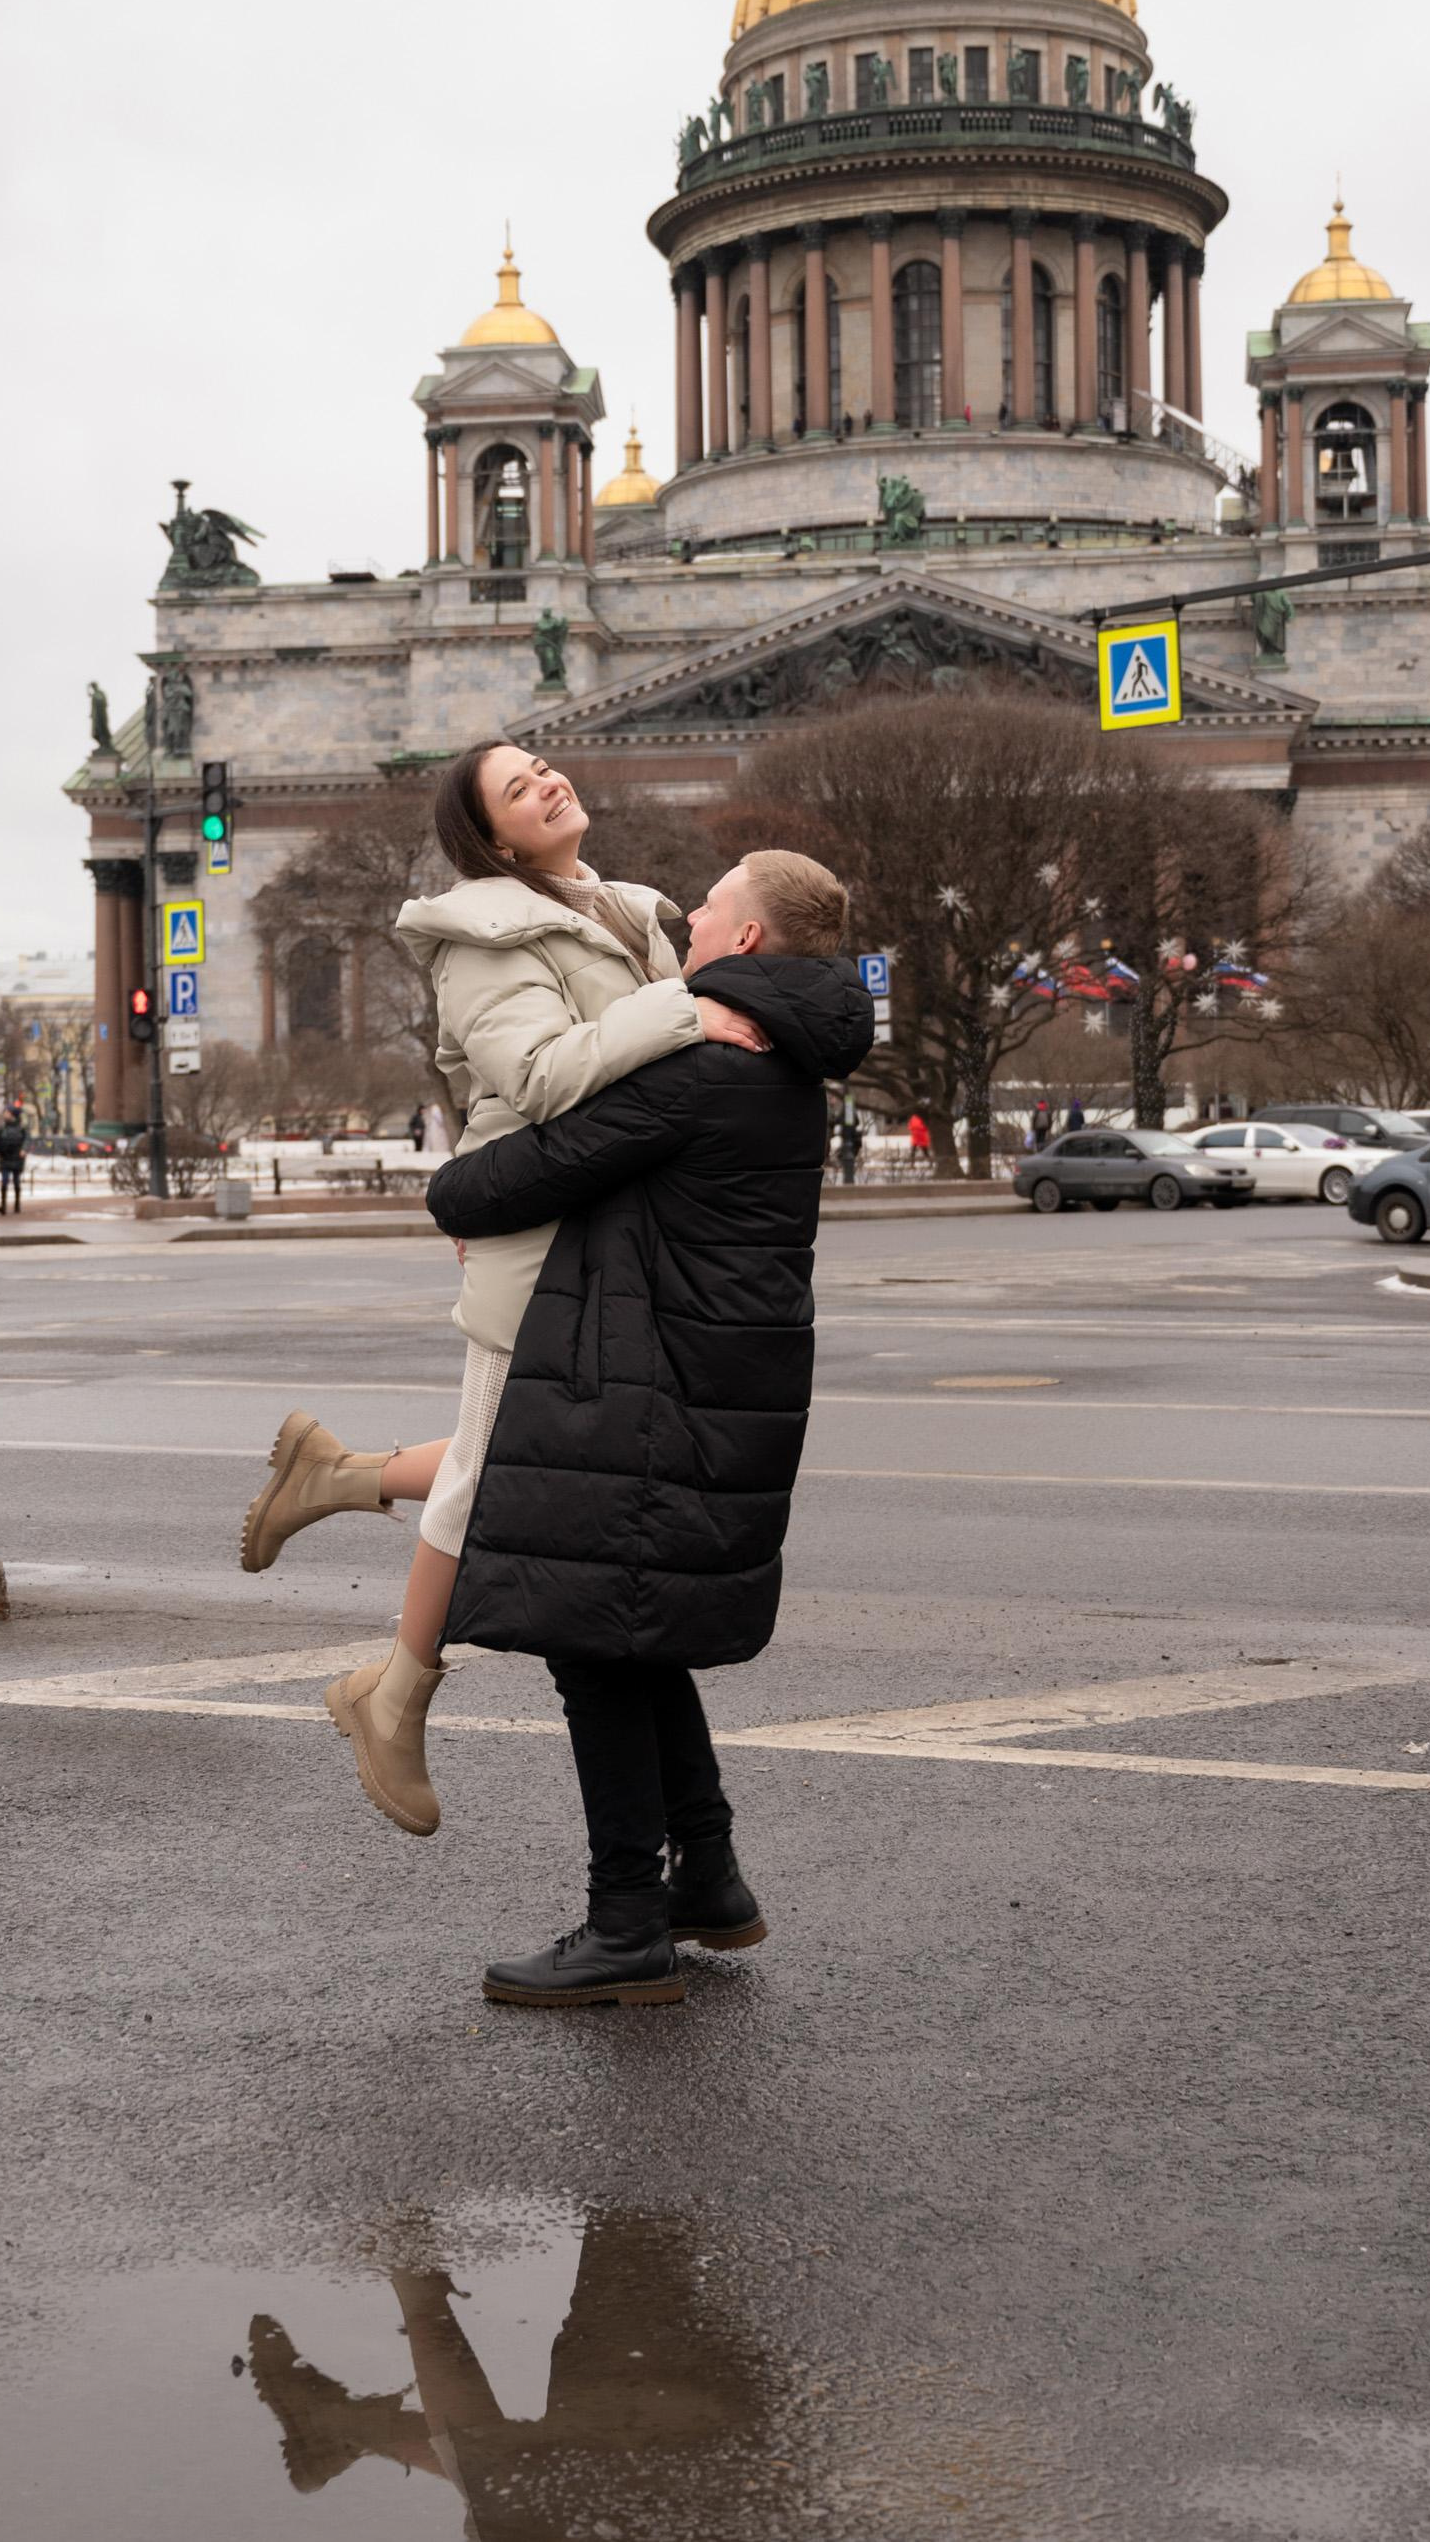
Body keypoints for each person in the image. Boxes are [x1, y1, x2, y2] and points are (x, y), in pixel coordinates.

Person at [238, 736, 771, 1838]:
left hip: (610, 1230)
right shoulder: (482, 931)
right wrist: (689, 1011)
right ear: (491, 838)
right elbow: (535, 1076)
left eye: (541, 766)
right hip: (537, 1231)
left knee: (521, 1452)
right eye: (517, 788)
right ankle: (389, 1692)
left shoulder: (629, 911)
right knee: (489, 1467)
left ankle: (338, 1476)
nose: (545, 782)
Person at [424, 848, 873, 2006]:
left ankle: (626, 1918)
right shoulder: (783, 1063)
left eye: (710, 906)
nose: (689, 917)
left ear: (749, 941)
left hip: (651, 1383)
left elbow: (477, 1191)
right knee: (636, 1632)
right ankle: (706, 1876)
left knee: (596, 1645)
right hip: (711, 1378)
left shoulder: (700, 1069)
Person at [0, 1103, 28, 1214]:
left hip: (17, 1157)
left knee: (16, 1181)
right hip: (5, 1157)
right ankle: (3, 1205)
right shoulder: (2, 1127)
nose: (5, 1114)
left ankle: (17, 1204)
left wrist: (24, 1149)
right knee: (4, 1181)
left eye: (7, 1112)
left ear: (12, 1114)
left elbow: (27, 1140)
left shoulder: (21, 1127)